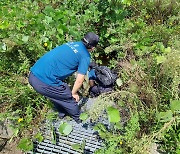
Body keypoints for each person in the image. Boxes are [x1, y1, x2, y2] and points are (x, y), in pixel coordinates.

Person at [28, 32, 99, 123]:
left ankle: (62, 114)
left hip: (33, 74)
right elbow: (80, 80)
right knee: (67, 96)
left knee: (57, 94)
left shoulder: (71, 44)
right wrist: (73, 93)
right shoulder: (85, 56)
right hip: (43, 81)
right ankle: (81, 121)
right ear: (93, 48)